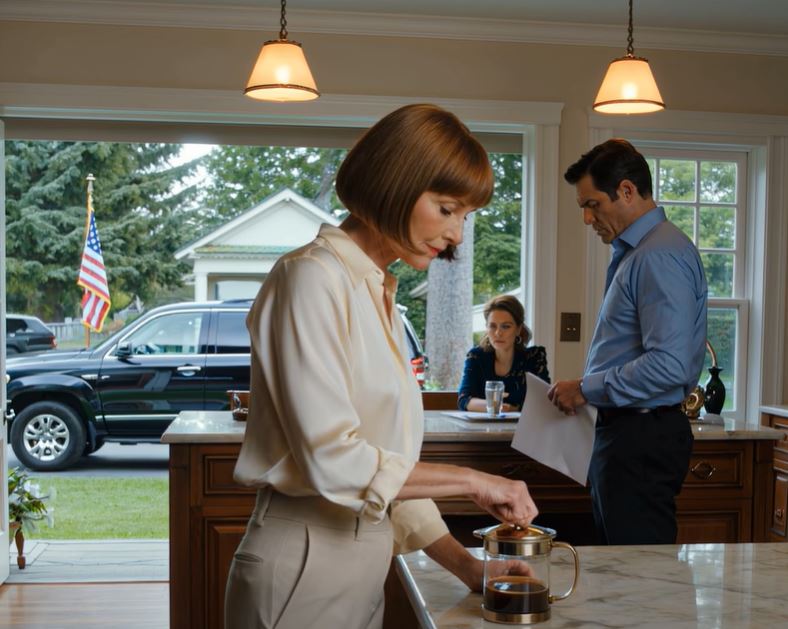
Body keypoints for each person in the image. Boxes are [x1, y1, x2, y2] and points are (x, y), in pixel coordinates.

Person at [225, 104, 538, 629]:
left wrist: (470, 568)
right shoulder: (309, 280)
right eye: (447, 209)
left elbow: (385, 474)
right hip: (304, 564)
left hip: (362, 567)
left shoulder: (379, 293)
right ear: (394, 185)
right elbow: (335, 461)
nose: (457, 235)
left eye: (464, 216)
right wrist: (473, 481)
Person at [548, 138, 707, 546]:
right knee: (621, 573)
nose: (587, 219)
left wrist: (585, 389)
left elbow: (669, 365)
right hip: (629, 433)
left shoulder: (657, 256)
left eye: (592, 205)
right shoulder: (642, 252)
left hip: (640, 436)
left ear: (626, 191)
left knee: (640, 580)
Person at [457, 295, 550, 412]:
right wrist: (498, 407)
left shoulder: (534, 357)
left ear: (518, 329)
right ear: (486, 327)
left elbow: (543, 401)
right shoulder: (476, 356)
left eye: (506, 326)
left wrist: (508, 408)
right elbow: (464, 400)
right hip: (481, 428)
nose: (498, 333)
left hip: (525, 428)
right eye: (492, 326)